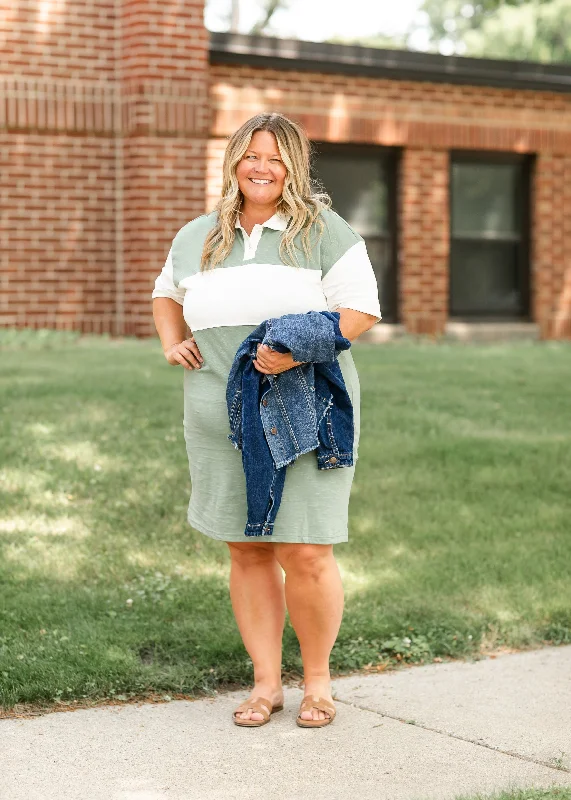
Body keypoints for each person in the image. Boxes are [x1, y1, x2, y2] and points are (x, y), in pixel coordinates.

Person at [151, 112, 382, 728]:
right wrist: (172, 340)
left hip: (306, 412)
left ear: (296, 168)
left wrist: (295, 350)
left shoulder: (325, 232)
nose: (262, 168)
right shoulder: (197, 235)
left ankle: (318, 684)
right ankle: (265, 685)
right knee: (249, 550)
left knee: (305, 550)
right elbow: (166, 293)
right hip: (216, 413)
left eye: (278, 158)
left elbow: (361, 311)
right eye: (252, 155)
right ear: (233, 161)